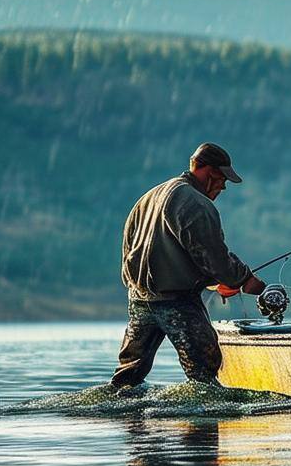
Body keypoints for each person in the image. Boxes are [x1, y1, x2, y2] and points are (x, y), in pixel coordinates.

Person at [110, 143, 266, 389]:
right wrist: (244, 280)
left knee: (128, 377)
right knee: (204, 374)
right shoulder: (194, 204)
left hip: (139, 299)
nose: (223, 186)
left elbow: (138, 249)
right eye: (222, 178)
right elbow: (213, 256)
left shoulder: (149, 198)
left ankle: (128, 421)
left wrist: (215, 282)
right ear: (209, 171)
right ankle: (200, 424)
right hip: (178, 302)